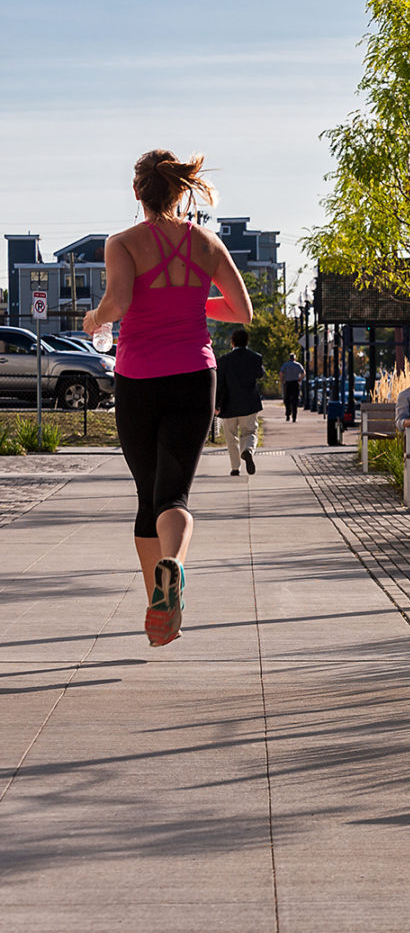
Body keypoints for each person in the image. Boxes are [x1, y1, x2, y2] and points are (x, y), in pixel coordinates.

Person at [84, 150, 254, 647]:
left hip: (139, 380)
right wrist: (189, 298)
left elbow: (118, 303)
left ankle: (157, 603)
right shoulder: (206, 243)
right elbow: (241, 310)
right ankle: (172, 569)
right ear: (181, 192)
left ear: (137, 193)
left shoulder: (123, 243)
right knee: (174, 493)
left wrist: (96, 320)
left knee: (147, 497)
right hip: (195, 379)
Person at [215, 328, 264, 475]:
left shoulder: (223, 360)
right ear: (247, 341)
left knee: (231, 437)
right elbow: (259, 374)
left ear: (232, 342)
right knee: (249, 432)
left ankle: (235, 468)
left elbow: (220, 384)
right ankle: (248, 450)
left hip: (228, 405)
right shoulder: (255, 357)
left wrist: (217, 404)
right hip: (249, 403)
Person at [279, 353, 306, 422]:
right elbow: (303, 373)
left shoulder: (285, 365)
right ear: (295, 358)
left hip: (288, 383)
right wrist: (300, 379)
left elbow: (281, 373)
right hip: (295, 383)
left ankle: (288, 414)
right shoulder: (298, 365)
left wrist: (282, 380)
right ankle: (294, 416)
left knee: (287, 399)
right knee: (295, 400)